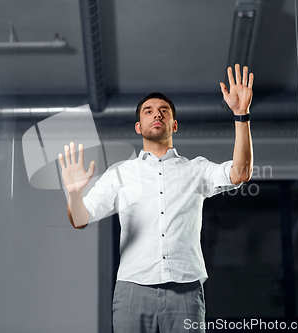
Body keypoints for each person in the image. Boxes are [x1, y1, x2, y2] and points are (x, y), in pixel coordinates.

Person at [58, 64, 253, 333]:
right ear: (138, 127)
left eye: (164, 111)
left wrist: (241, 115)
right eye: (148, 111)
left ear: (174, 124)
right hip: (132, 288)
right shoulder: (121, 173)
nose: (156, 114)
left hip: (186, 289)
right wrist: (74, 193)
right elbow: (81, 219)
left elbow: (240, 173)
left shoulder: (195, 169)